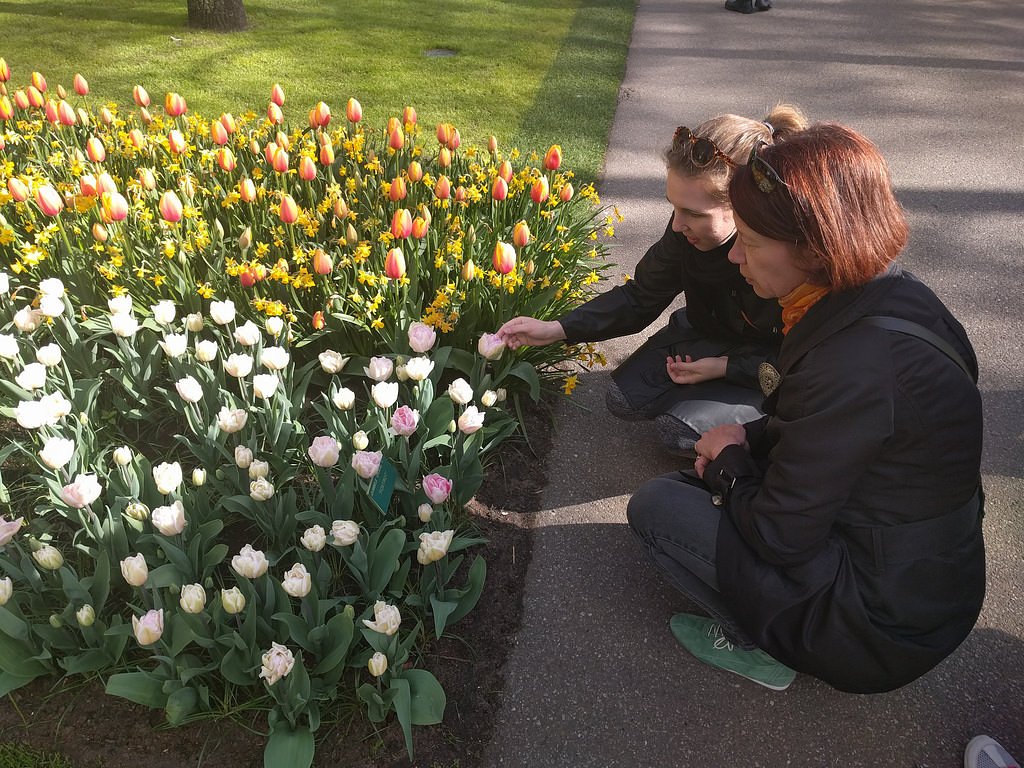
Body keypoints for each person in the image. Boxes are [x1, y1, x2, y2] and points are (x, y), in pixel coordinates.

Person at [627, 123, 985, 693]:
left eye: (751, 241)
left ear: (815, 250)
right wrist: (748, 441)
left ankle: (764, 649)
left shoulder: (853, 364)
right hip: (928, 582)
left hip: (880, 628)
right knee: (706, 469)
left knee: (658, 506)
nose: (737, 255)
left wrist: (729, 466)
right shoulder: (893, 298)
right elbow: (844, 434)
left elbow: (778, 535)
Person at [498, 106, 808, 455]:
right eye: (673, 207)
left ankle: (750, 419)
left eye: (692, 213)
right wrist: (558, 328)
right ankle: (712, 401)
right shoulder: (685, 233)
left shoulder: (784, 254)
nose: (677, 225)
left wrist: (726, 368)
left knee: (677, 432)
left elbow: (809, 358)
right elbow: (640, 296)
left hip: (772, 363)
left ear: (743, 207)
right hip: (707, 335)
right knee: (623, 400)